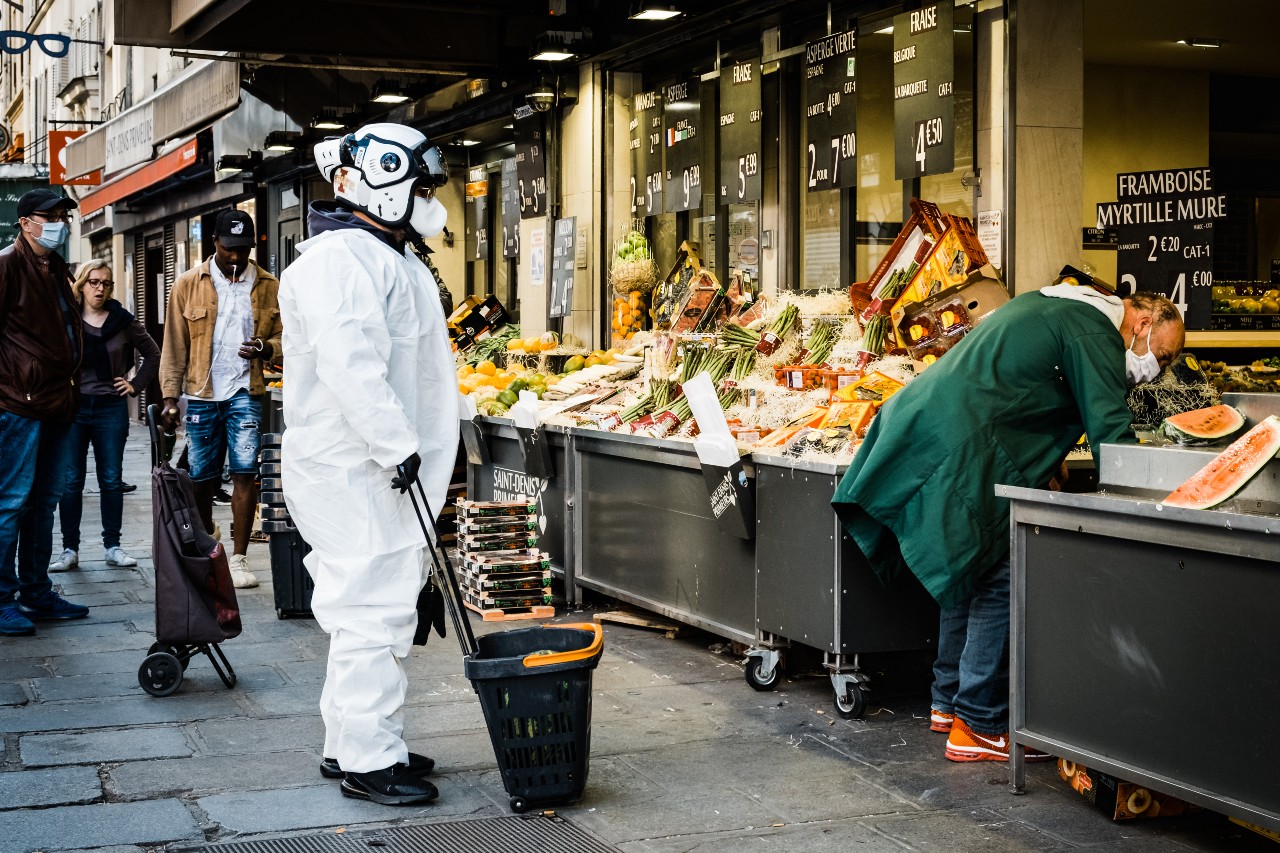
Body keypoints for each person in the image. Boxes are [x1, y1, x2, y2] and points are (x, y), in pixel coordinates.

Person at [832, 281, 1184, 762]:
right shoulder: (1096, 331)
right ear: (1142, 323)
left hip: (939, 426)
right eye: (1161, 358)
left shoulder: (1057, 303)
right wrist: (1159, 501)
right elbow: (1111, 433)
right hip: (963, 443)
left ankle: (947, 700)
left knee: (968, 565)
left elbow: (1030, 386)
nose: (1153, 373)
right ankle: (978, 722)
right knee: (1000, 573)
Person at [280, 123, 458, 806]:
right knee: (373, 614)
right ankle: (369, 758)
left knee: (367, 608)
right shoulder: (340, 261)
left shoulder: (384, 255)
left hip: (375, 468)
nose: (425, 201)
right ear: (382, 184)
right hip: (358, 468)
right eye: (417, 187)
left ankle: (350, 739)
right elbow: (351, 367)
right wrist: (397, 445)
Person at [158, 209, 281, 589]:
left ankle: (241, 559)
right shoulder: (187, 284)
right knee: (201, 477)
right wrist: (169, 397)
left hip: (246, 390)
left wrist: (265, 347)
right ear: (214, 243)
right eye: (229, 249)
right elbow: (174, 345)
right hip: (202, 393)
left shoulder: (268, 285)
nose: (236, 257)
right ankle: (207, 544)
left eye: (243, 250)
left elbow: (290, 339)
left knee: (246, 471)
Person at [0, 189, 92, 635]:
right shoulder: (7, 265)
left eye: (63, 215)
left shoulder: (56, 269)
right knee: (11, 503)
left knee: (44, 502)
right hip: (19, 406)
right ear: (25, 222)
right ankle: (2, 599)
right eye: (50, 216)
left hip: (59, 402)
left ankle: (36, 591)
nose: (59, 223)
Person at [50, 260, 161, 572]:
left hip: (110, 408)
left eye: (106, 284)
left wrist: (135, 384)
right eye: (94, 282)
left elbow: (152, 354)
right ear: (82, 284)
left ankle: (112, 546)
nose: (100, 288)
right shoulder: (67, 318)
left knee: (110, 479)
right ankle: (69, 549)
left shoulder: (123, 320)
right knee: (71, 481)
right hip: (72, 407)